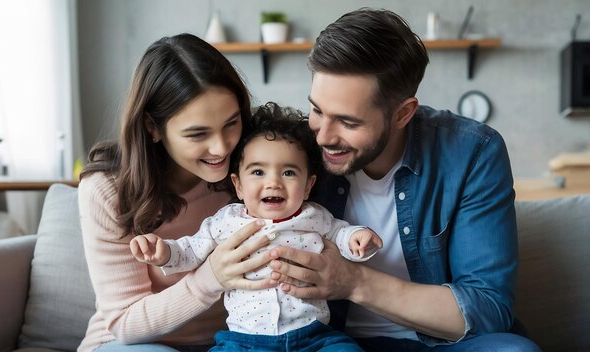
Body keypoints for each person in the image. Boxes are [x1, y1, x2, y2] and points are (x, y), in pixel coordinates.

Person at [266, 8, 541, 351]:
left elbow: (488, 311)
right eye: (317, 110)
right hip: (328, 343)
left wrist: (352, 282)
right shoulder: (295, 150)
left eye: (348, 122)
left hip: (440, 344)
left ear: (403, 114)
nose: (322, 136)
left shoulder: (472, 152)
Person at [77, 33, 277, 352]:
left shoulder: (252, 171)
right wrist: (212, 276)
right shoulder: (106, 189)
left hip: (230, 344)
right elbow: (125, 325)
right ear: (152, 127)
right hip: (130, 345)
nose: (221, 147)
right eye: (197, 134)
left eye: (231, 123)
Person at [130, 103, 383, 352]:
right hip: (243, 339)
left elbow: (339, 233)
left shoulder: (314, 216)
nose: (273, 182)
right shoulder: (225, 221)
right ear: (238, 185)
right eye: (259, 172)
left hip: (313, 337)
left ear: (308, 185)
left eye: (289, 173)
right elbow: (192, 250)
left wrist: (356, 238)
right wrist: (164, 253)